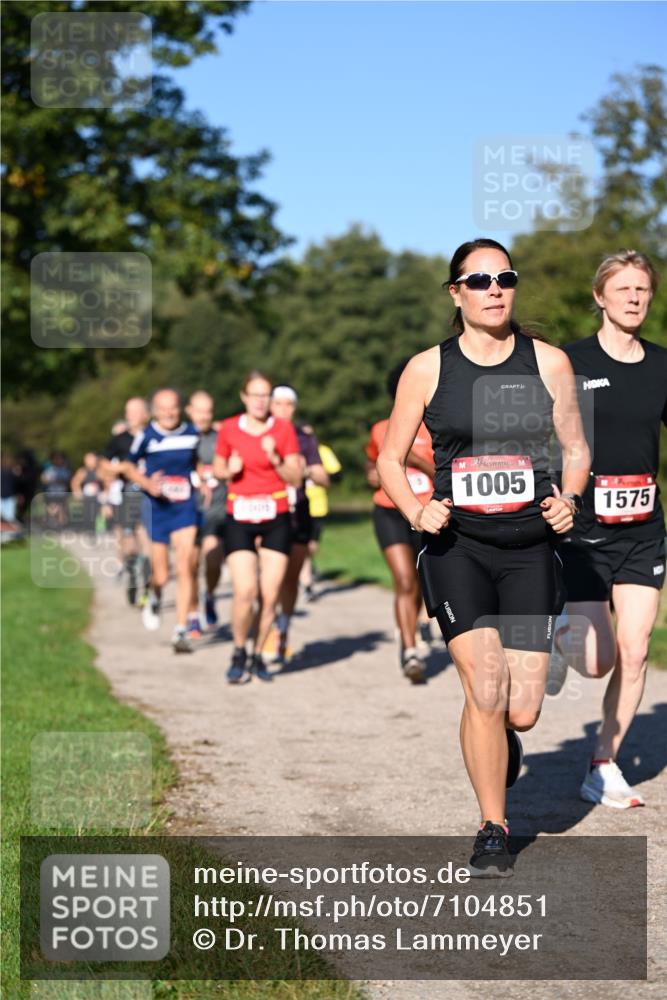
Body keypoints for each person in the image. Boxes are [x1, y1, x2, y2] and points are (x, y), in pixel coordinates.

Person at [377, 237, 589, 877]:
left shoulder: (549, 363)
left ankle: (499, 739)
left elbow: (576, 448)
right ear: (456, 292)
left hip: (529, 550)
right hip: (457, 548)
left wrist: (570, 500)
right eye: (479, 280)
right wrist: (417, 512)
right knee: (486, 688)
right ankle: (493, 827)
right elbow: (390, 459)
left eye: (505, 278)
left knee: (520, 709)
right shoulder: (427, 369)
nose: (494, 290)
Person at [549, 250, 666, 809]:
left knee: (636, 650)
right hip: (584, 530)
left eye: (642, 289)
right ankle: (556, 631)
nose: (634, 298)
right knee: (597, 663)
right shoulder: (568, 362)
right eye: (623, 289)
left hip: (644, 528)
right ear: (600, 297)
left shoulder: (662, 364)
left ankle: (603, 764)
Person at [213, 371, 302, 683]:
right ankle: (239, 650)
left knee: (270, 593)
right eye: (255, 395)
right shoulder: (228, 428)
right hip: (239, 514)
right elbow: (217, 468)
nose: (260, 401)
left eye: (265, 395)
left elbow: (295, 477)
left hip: (276, 514)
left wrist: (275, 458)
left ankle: (258, 654)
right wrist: (229, 469)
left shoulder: (283, 429)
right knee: (245, 591)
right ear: (244, 397)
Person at [366, 359, 436, 684]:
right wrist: (373, 473)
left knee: (421, 580)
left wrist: (416, 460)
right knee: (405, 580)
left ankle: (419, 624)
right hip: (389, 511)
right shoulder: (381, 429)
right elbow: (373, 462)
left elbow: (444, 473)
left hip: (426, 514)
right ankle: (409, 650)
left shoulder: (436, 428)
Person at [124, 389, 200, 653]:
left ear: (180, 408)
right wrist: (147, 483)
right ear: (154, 411)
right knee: (162, 574)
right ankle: (153, 595)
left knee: (185, 567)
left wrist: (203, 477)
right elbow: (128, 466)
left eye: (173, 407)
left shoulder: (191, 433)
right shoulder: (147, 436)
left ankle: (180, 631)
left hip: (185, 507)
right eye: (163, 408)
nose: (168, 413)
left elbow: (200, 462)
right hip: (157, 509)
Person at [263, 385, 329, 663]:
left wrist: (307, 470)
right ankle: (266, 632)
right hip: (267, 513)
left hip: (298, 511)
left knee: (291, 578)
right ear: (270, 406)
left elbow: (324, 477)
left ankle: (283, 629)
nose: (283, 409)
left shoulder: (304, 437)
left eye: (288, 404)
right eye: (278, 404)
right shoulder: (260, 433)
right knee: (268, 579)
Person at [100, 398, 151, 606]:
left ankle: (147, 583)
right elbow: (103, 464)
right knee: (128, 541)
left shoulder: (153, 435)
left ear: (146, 414)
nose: (131, 416)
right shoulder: (119, 439)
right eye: (128, 412)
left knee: (148, 540)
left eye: (135, 411)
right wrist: (122, 468)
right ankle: (132, 573)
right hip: (128, 493)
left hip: (152, 495)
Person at [186, 391, 227, 635]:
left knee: (213, 561)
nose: (204, 416)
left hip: (216, 510)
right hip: (187, 511)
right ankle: (192, 614)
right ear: (189, 410)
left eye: (208, 411)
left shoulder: (221, 437)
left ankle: (209, 595)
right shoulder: (181, 438)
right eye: (199, 411)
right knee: (189, 566)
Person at [301, 442, 343, 600]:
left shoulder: (322, 451)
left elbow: (337, 475)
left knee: (311, 546)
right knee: (301, 546)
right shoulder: (288, 449)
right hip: (295, 506)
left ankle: (305, 568)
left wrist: (316, 474)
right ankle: (307, 584)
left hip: (318, 507)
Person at [70, 452, 103, 535]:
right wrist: (77, 492)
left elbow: (107, 482)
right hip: (87, 497)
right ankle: (89, 530)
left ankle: (100, 530)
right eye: (88, 459)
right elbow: (75, 482)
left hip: (99, 497)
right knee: (88, 514)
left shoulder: (100, 470)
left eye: (92, 459)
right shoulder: (82, 471)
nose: (90, 461)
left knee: (99, 513)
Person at [41, 451, 71, 529]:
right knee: (51, 510)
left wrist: (56, 481)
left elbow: (67, 481)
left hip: (61, 493)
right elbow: (43, 479)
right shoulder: (49, 469)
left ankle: (61, 526)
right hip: (51, 493)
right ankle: (51, 525)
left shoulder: (65, 469)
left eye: (59, 458)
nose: (57, 460)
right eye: (55, 458)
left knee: (61, 510)